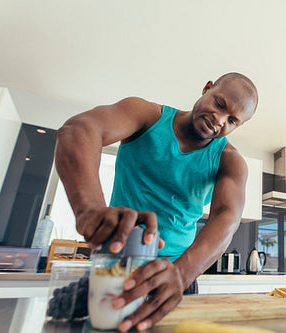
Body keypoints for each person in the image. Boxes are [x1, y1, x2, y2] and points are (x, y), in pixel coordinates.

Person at [54, 72, 258, 332]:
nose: (219, 120)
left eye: (232, 120)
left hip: (174, 277)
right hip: (116, 268)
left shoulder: (230, 160)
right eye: (219, 104)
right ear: (207, 88)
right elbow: (78, 129)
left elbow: (227, 218)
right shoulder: (147, 116)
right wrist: (90, 208)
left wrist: (182, 274)